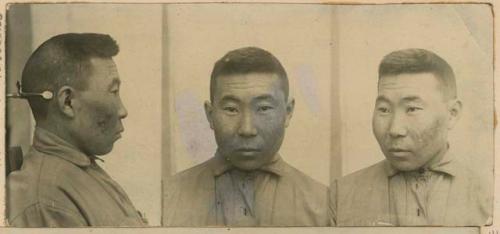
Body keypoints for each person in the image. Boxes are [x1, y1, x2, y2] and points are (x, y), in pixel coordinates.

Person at [163, 47, 332, 226]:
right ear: (210, 115)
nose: (247, 129)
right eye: (231, 109)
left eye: (263, 108)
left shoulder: (324, 205)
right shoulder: (168, 198)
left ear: (288, 112)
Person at [331, 48, 492, 226]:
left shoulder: (488, 196)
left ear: (452, 114)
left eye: (412, 109)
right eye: (384, 109)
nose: (394, 129)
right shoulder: (341, 195)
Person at [7, 33, 147, 227]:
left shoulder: (79, 171)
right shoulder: (46, 201)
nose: (123, 111)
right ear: (67, 102)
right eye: (113, 92)